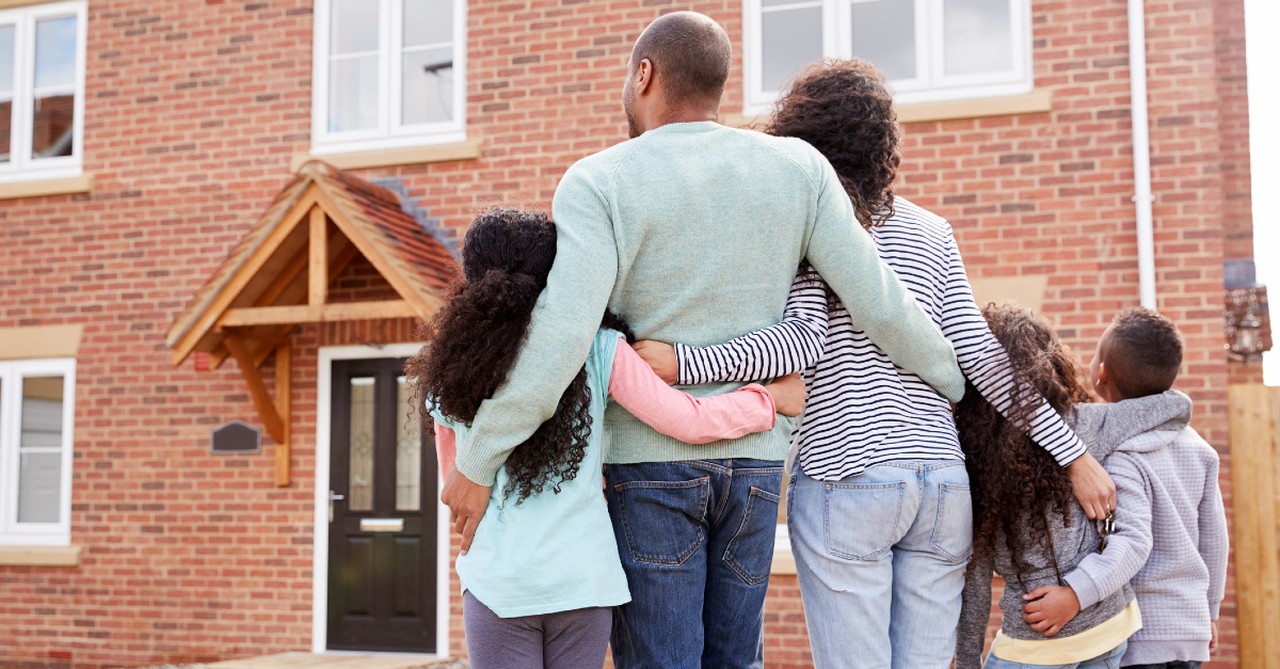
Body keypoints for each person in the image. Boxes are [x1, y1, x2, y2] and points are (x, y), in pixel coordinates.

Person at [439, 12, 968, 669]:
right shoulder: (799, 168)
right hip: (753, 467)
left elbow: (565, 337)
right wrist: (955, 382)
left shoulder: (598, 181)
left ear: (644, 75)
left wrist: (480, 458)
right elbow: (883, 303)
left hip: (648, 470)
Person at [632, 59, 1115, 668]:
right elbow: (984, 360)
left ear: (802, 135)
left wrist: (685, 362)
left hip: (849, 473)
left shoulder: (811, 226)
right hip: (940, 487)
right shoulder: (933, 231)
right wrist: (1072, 453)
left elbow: (799, 343)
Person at [407, 208, 806, 669]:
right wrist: (771, 400)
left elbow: (456, 490)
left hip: (499, 584)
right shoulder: (598, 349)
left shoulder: (448, 376)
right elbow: (688, 420)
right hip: (585, 582)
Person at [955, 304, 1158, 669]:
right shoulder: (1089, 425)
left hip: (1037, 645)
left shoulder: (972, 459)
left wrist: (969, 659)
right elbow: (1174, 404)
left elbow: (976, 575)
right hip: (1110, 628)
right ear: (1052, 369)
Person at [1086, 308, 1228, 669]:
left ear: (1101, 373)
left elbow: (1131, 542)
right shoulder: (1200, 449)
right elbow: (1214, 540)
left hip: (1139, 633)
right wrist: (1209, 610)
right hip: (1190, 629)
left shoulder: (1122, 453)